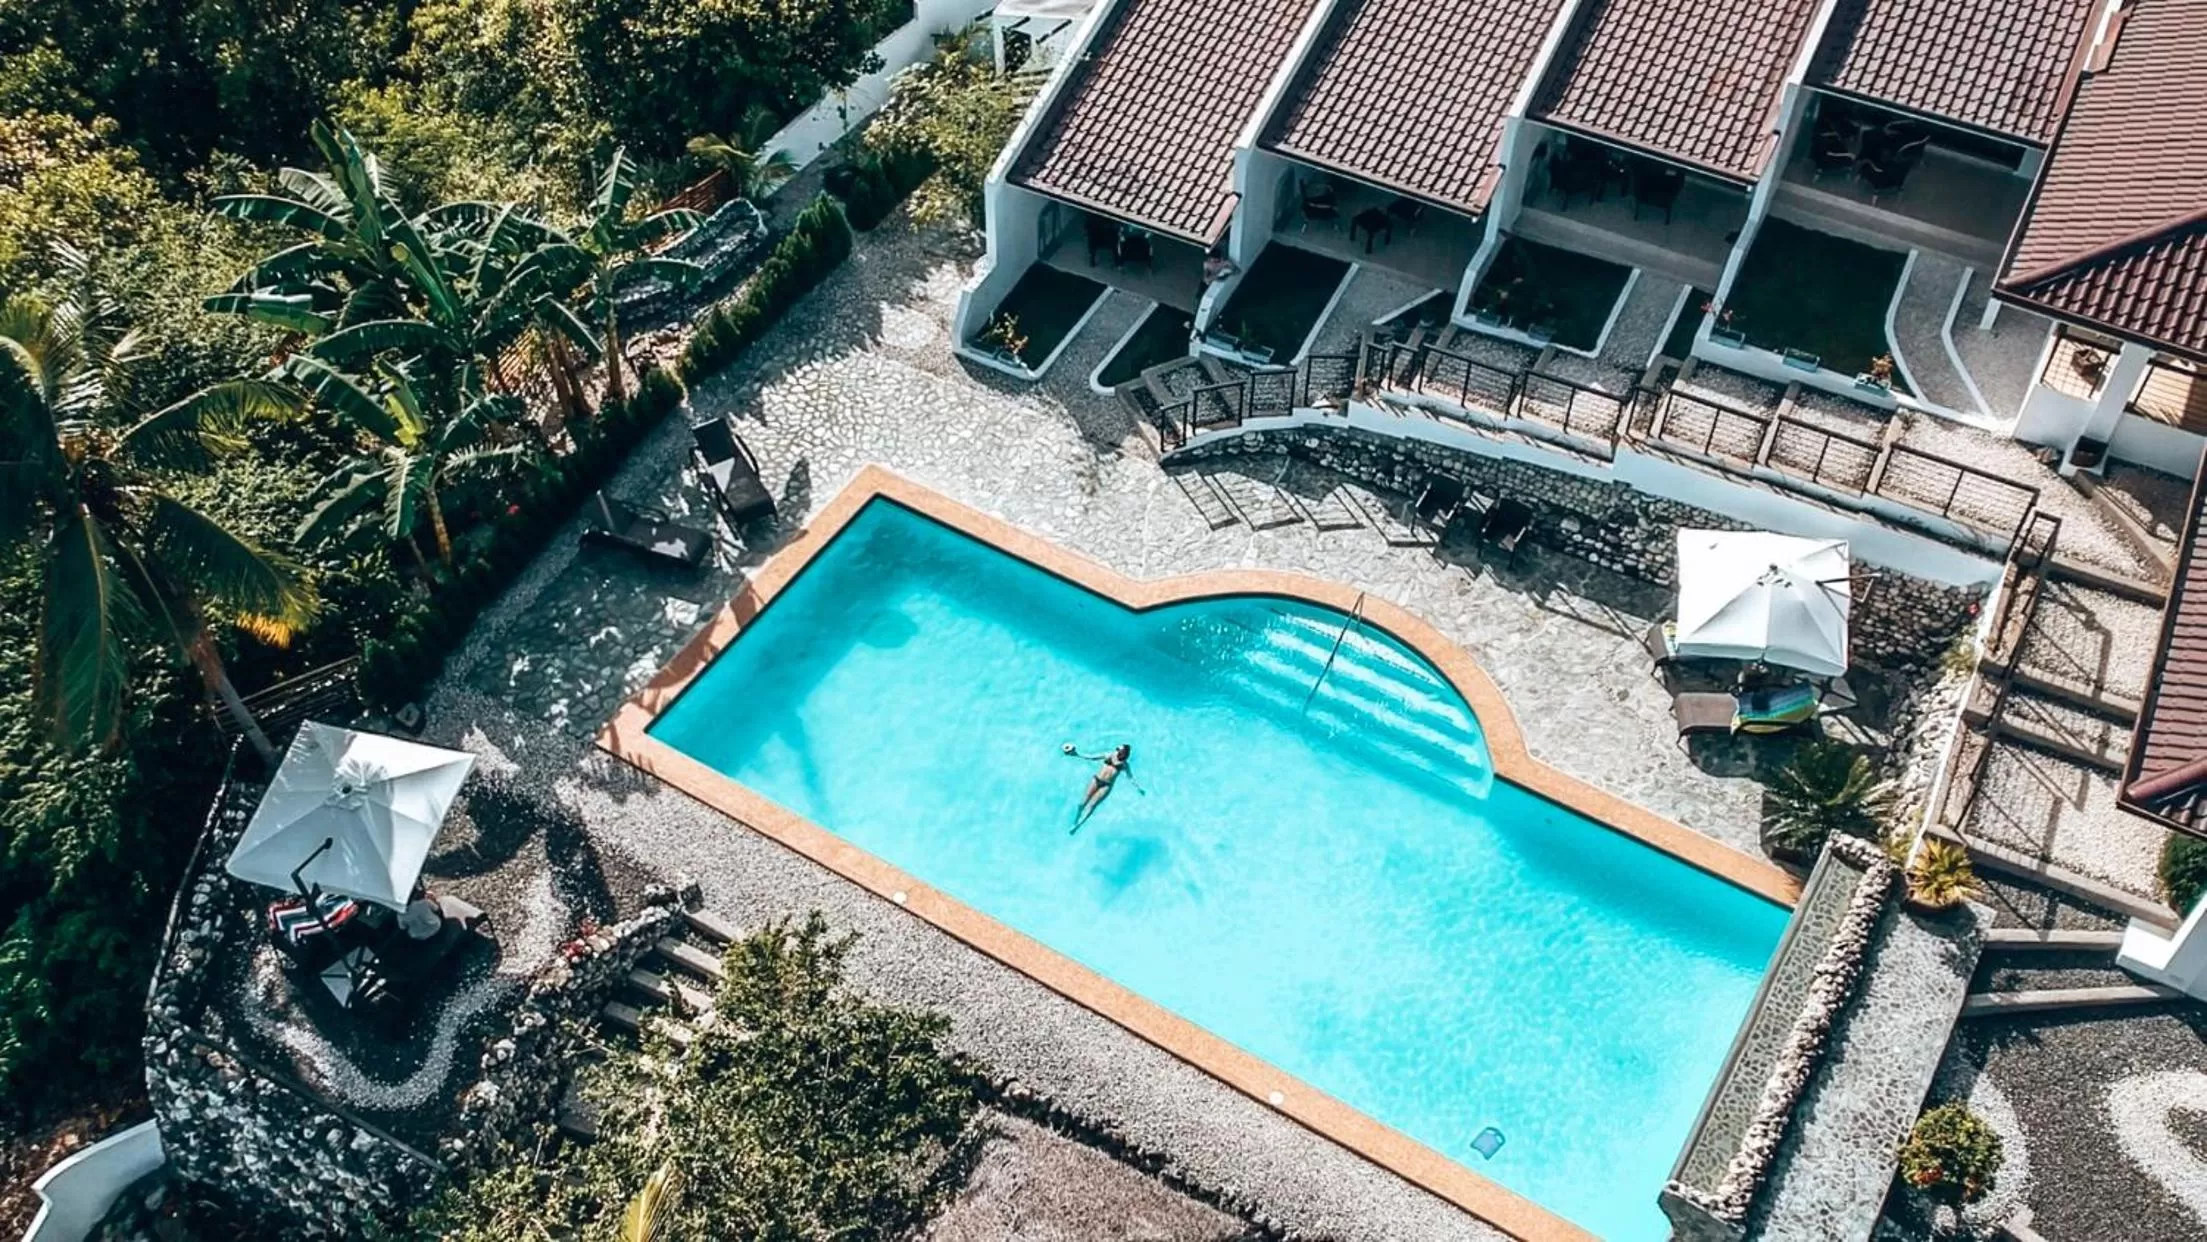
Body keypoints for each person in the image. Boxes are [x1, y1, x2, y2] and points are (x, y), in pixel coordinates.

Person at [1065, 743, 1136, 832]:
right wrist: (1077, 755)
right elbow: (1092, 757)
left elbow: (1130, 777)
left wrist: (1137, 787)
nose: (1118, 750)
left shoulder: (1124, 765)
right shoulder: (1109, 755)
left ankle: (1078, 826)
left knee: (1092, 805)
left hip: (1106, 786)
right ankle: (1075, 820)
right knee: (1081, 804)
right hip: (1096, 780)